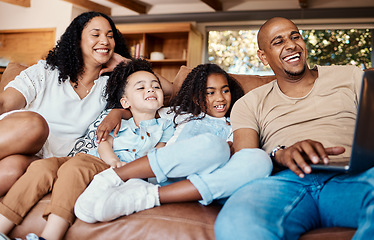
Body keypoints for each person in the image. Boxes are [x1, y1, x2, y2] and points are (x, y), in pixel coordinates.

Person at [214, 17, 374, 240]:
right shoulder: (249, 103)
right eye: (278, 41)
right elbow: (245, 163)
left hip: (351, 179)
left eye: (295, 36)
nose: (291, 45)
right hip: (285, 183)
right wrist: (280, 154)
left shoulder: (349, 76)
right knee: (238, 216)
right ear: (263, 56)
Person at [74, 63, 273, 223]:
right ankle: (112, 178)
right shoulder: (178, 113)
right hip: (165, 172)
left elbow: (240, 154)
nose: (220, 98)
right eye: (210, 92)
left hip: (207, 181)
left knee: (260, 160)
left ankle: (147, 197)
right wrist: (116, 111)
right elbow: (142, 110)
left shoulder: (237, 122)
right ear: (195, 96)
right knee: (215, 146)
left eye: (225, 90)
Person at [0, 59, 174, 240]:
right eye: (141, 87)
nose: (151, 90)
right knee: (41, 168)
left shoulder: (166, 125)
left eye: (156, 87)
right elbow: (104, 143)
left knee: (74, 169)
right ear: (125, 101)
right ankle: (2, 227)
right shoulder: (117, 119)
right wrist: (113, 160)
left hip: (107, 168)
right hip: (97, 158)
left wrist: (123, 168)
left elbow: (158, 155)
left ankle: (50, 235)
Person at [0, 11, 133, 197]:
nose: (105, 41)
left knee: (11, 171)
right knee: (35, 124)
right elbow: (5, 103)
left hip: (47, 159)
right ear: (77, 40)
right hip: (19, 138)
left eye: (110, 36)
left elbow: (166, 90)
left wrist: (129, 64)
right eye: (96, 35)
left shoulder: (112, 85)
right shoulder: (46, 72)